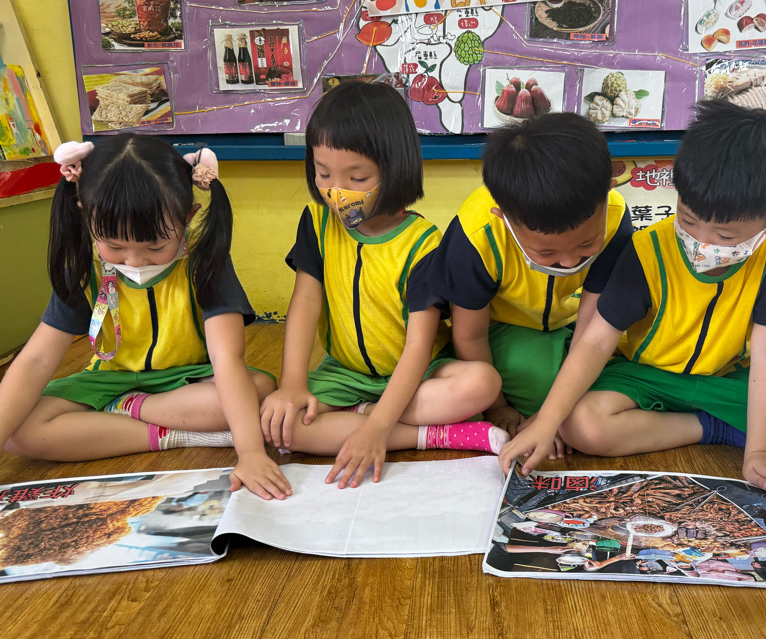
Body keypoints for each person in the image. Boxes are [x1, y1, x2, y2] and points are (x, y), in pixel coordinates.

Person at [500, 101, 766, 492]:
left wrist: (759, 453)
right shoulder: (648, 249)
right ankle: (715, 427)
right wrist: (547, 421)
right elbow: (596, 341)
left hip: (732, 379)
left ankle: (739, 429)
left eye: (725, 236)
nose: (700, 242)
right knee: (582, 425)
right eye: (688, 220)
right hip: (649, 377)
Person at [0, 136, 290, 500]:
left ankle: (125, 411)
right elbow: (36, 360)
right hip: (109, 380)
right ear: (85, 213)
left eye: (155, 246)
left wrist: (250, 453)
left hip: (186, 382)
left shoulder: (204, 265)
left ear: (188, 217)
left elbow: (226, 358)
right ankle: (176, 433)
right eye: (114, 246)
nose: (134, 261)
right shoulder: (85, 270)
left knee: (258, 390)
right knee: (18, 430)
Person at [259, 81, 505, 488]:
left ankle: (365, 420)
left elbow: (418, 346)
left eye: (356, 177)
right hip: (345, 374)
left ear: (393, 169)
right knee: (283, 427)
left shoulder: (423, 243)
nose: (336, 191)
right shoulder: (317, 223)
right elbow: (304, 303)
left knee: (482, 383)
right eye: (323, 173)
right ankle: (432, 435)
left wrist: (376, 429)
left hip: (419, 376)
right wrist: (292, 385)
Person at [429, 112, 633, 441]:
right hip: (504, 328)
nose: (569, 262)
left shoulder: (616, 216)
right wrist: (498, 408)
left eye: (586, 244)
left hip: (576, 322)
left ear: (608, 192)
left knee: (613, 366)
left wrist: (552, 415)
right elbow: (470, 335)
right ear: (504, 218)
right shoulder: (476, 235)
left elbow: (593, 329)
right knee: (536, 384)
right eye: (546, 252)